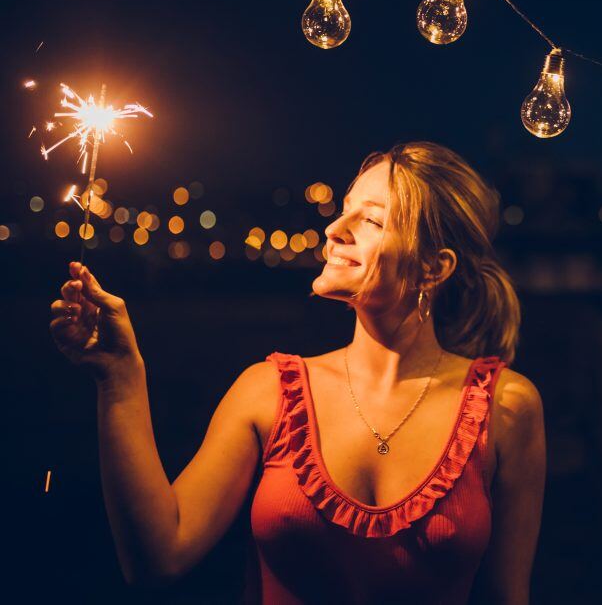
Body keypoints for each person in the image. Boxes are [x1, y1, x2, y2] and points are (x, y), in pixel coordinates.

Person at [49, 141, 546, 604]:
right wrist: (119, 378)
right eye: (343, 209)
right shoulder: (268, 393)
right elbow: (158, 557)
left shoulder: (506, 406)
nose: (334, 229)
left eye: (371, 221)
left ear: (433, 269)